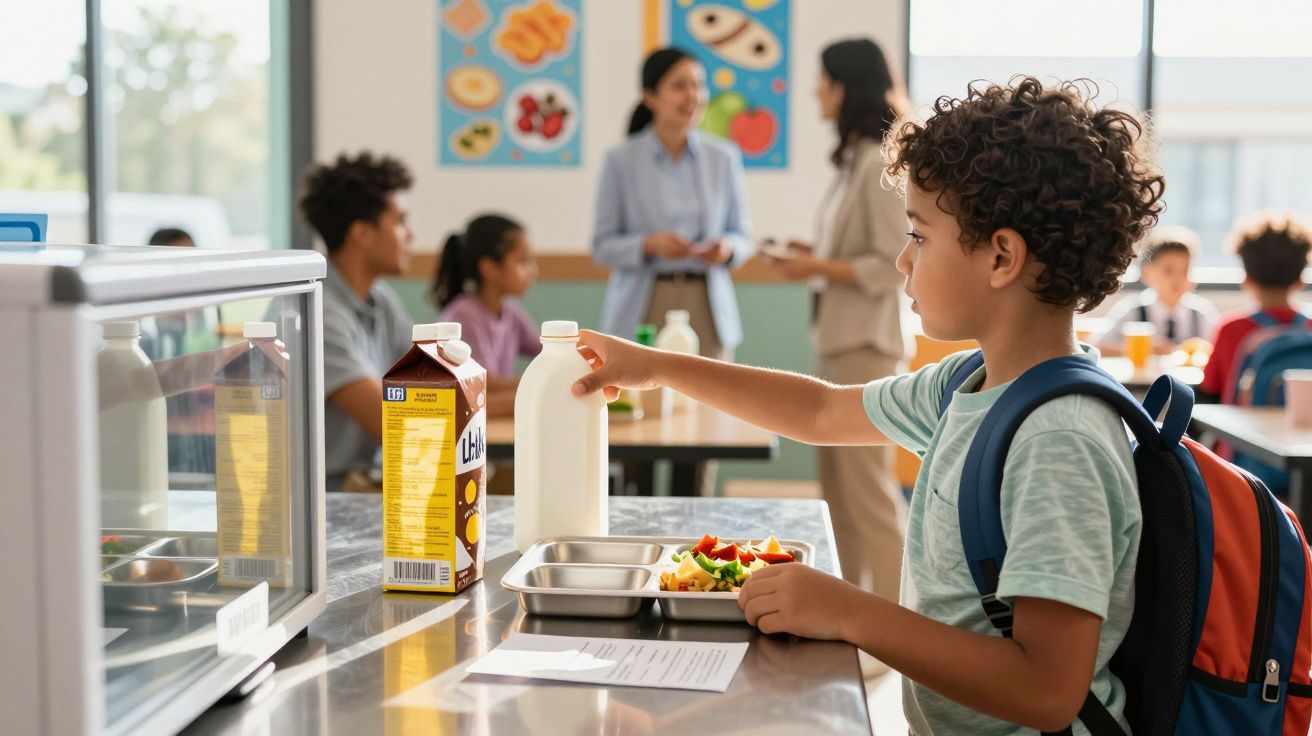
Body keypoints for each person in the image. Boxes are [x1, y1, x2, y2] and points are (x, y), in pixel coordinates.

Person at [572, 77, 1164, 734]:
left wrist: (850, 612)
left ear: (1000, 257)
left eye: (920, 235)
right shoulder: (966, 384)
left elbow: (1047, 690)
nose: (903, 262)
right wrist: (656, 365)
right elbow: (822, 412)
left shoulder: (1059, 440)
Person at [763, 37, 912, 606]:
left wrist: (814, 265)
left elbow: (891, 263)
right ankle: (855, 617)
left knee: (866, 494)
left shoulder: (878, 160)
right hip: (842, 343)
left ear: (845, 87)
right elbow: (858, 250)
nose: (815, 92)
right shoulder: (855, 159)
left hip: (865, 347)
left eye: (822, 81)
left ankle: (900, 630)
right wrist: (813, 253)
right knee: (841, 495)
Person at [592, 47, 754, 361]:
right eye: (679, 86)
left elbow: (743, 235)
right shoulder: (620, 161)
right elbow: (602, 246)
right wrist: (649, 245)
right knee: (640, 403)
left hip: (707, 305)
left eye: (698, 85)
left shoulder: (724, 158)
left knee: (714, 402)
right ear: (650, 96)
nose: (693, 96)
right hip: (643, 303)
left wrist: (727, 249)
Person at [298, 152, 416, 491]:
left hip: (364, 485)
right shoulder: (315, 310)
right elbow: (393, 422)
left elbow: (434, 380)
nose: (411, 234)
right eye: (401, 221)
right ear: (362, 234)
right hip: (324, 498)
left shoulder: (380, 299)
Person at [432, 213, 541, 416]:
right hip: (467, 423)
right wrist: (537, 383)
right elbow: (485, 383)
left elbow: (546, 348)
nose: (534, 271)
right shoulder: (464, 314)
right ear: (489, 268)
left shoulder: (510, 311)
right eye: (523, 261)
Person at [1198, 211, 1312, 403]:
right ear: (1300, 280)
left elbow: (1210, 387)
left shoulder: (1230, 328)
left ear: (1247, 278)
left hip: (1240, 433)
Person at [1094, 226, 1217, 355]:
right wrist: (1143, 350)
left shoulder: (1201, 314)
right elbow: (1098, 347)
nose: (1178, 279)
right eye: (1168, 271)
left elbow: (1218, 350)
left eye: (1185, 271)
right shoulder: (1133, 310)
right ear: (1148, 273)